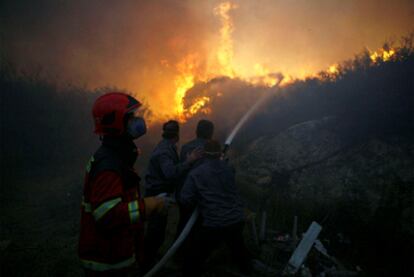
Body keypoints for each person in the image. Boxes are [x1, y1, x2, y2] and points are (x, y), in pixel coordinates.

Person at [78, 92, 165, 277]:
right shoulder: (109, 165)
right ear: (116, 123)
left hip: (117, 251)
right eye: (131, 117)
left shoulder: (117, 156)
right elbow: (107, 214)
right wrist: (147, 206)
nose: (137, 121)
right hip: (108, 261)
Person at [179, 140, 250, 276]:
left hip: (215, 223)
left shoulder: (196, 173)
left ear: (204, 154)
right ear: (219, 154)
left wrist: (199, 200)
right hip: (236, 219)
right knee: (239, 251)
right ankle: (247, 270)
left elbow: (185, 199)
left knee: (194, 259)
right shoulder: (229, 168)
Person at [143, 120, 202, 271]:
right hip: (157, 195)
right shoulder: (164, 152)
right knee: (156, 231)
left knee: (157, 230)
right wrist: (189, 161)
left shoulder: (166, 146)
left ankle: (150, 257)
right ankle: (147, 263)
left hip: (159, 193)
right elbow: (170, 173)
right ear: (176, 135)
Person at [175, 119, 214, 237]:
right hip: (201, 196)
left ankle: (179, 248)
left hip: (184, 195)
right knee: (198, 227)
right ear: (211, 133)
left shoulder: (186, 147)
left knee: (183, 223)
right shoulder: (212, 150)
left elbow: (182, 169)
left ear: (196, 131)